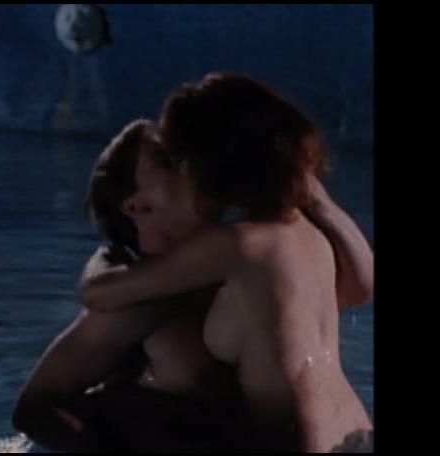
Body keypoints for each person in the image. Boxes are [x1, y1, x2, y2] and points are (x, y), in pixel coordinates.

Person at [80, 73, 373, 452]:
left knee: (111, 406)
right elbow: (362, 286)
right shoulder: (308, 235)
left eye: (180, 159)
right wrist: (317, 198)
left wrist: (104, 259)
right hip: (356, 433)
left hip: (303, 444)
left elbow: (99, 295)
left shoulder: (235, 245)